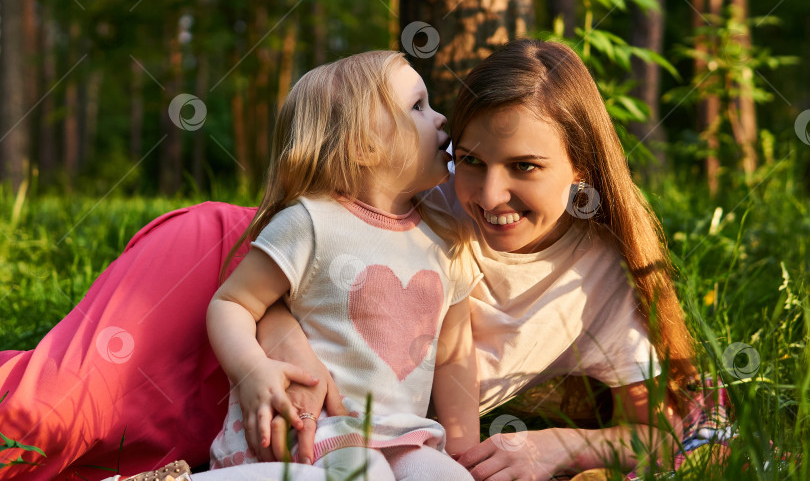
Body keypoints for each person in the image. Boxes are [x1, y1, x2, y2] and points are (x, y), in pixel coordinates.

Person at [254, 39, 699, 480]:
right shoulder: (423, 193)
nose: (489, 196)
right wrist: (291, 353)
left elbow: (662, 435)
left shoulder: (599, 277)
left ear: (581, 164)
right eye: (470, 160)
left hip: (406, 450)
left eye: (525, 166)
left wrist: (556, 446)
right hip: (315, 423)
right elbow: (269, 273)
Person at [205, 50, 481, 480]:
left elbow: (455, 358)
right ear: (364, 144)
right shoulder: (310, 222)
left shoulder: (447, 242)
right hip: (315, 433)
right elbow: (232, 303)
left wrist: (466, 453)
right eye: (418, 106)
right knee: (364, 473)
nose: (441, 118)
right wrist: (252, 370)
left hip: (403, 435)